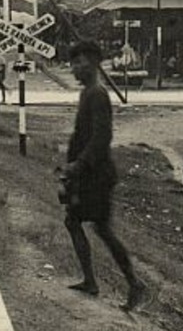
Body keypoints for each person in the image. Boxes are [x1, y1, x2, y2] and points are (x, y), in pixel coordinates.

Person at [60, 40, 145, 311]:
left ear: (94, 63)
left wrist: (79, 164)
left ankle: (133, 283)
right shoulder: (88, 92)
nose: (74, 68)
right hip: (87, 172)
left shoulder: (97, 94)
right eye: (72, 63)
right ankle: (92, 281)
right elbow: (82, 134)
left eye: (79, 63)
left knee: (99, 228)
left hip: (96, 174)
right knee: (76, 222)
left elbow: (101, 136)